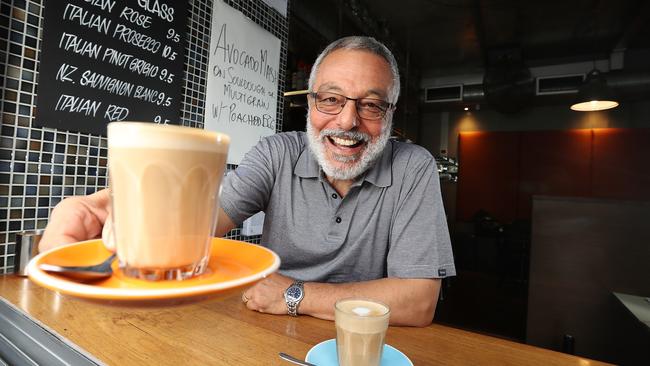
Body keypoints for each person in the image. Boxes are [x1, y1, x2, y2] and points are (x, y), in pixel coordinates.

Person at [39, 36, 455, 327]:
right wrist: (132, 209)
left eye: (370, 105)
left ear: (391, 113)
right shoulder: (276, 152)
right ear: (309, 104)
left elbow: (418, 302)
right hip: (264, 331)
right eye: (330, 99)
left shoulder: (412, 166)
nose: (347, 121)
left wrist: (294, 296)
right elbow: (201, 223)